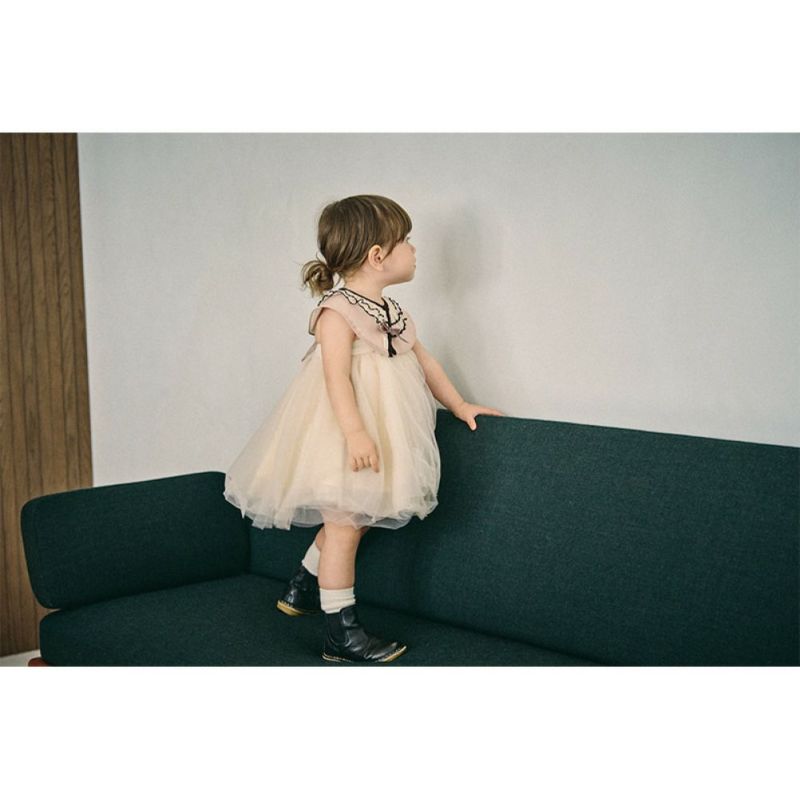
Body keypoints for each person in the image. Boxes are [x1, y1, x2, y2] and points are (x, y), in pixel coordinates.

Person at [223, 194, 505, 663]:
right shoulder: (336, 312)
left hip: (384, 428)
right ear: (377, 256)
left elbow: (424, 361)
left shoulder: (391, 310)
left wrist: (458, 403)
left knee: (357, 515)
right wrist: (355, 433)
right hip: (341, 431)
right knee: (346, 526)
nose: (414, 249)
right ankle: (341, 635)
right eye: (405, 241)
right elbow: (335, 378)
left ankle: (302, 585)